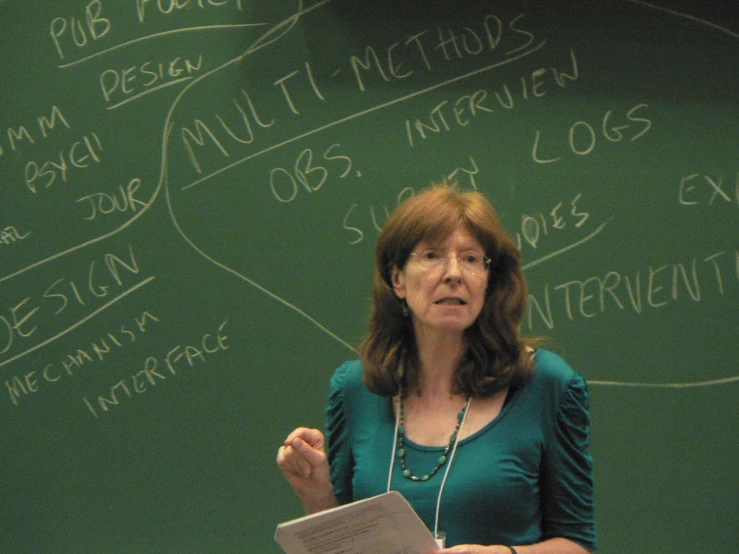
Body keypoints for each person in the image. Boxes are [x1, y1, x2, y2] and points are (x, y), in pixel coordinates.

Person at [277, 185, 596, 553]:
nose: (454, 274)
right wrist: (316, 494)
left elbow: (579, 544)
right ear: (397, 278)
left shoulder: (546, 384)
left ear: (489, 281)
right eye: (432, 255)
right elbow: (347, 545)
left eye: (472, 259)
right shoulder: (357, 387)